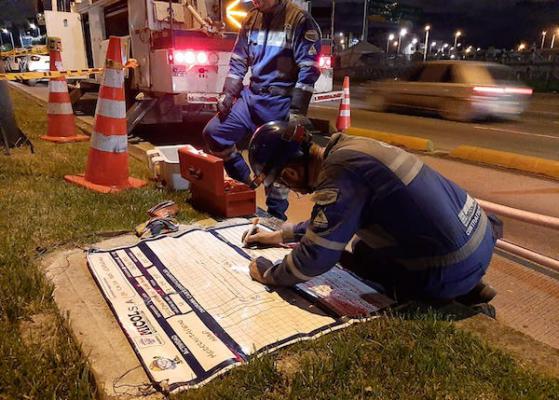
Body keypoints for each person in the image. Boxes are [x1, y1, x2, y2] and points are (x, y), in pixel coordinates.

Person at [244, 121, 499, 305]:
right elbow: (332, 221)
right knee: (363, 240)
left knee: (361, 255)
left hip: (452, 266)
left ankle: (449, 296)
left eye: (283, 183)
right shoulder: (349, 148)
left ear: (290, 173)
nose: (289, 188)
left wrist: (270, 275)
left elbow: (316, 256)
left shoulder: (340, 175)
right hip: (480, 237)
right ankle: (470, 286)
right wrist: (280, 236)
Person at [202, 0, 322, 220]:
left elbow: (308, 71)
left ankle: (276, 217)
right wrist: (228, 94)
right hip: (252, 96)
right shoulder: (251, 18)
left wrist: (296, 111)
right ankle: (245, 184)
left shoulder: (300, 21)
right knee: (215, 133)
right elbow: (239, 61)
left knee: (277, 162)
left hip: (280, 101)